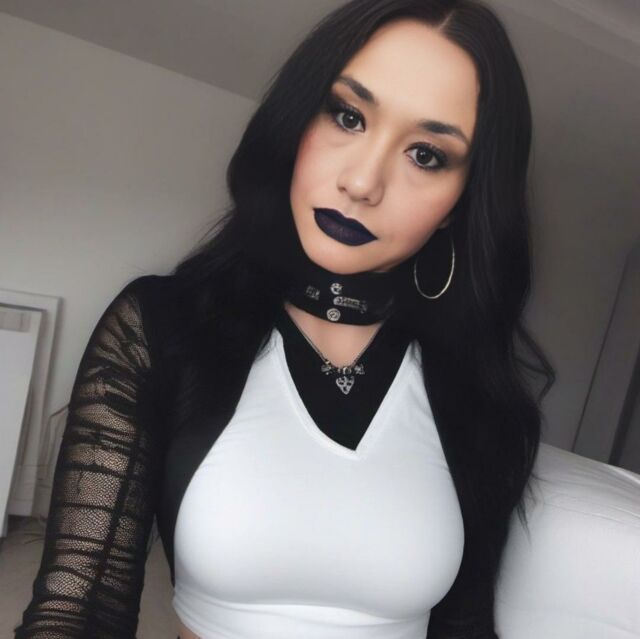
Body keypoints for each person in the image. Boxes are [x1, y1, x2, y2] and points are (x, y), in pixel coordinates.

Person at [13, 0, 555, 637]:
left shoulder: (475, 387)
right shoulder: (160, 327)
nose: (363, 182)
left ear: (458, 205)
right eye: (348, 116)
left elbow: (465, 628)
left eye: (426, 155)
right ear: (297, 119)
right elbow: (79, 608)